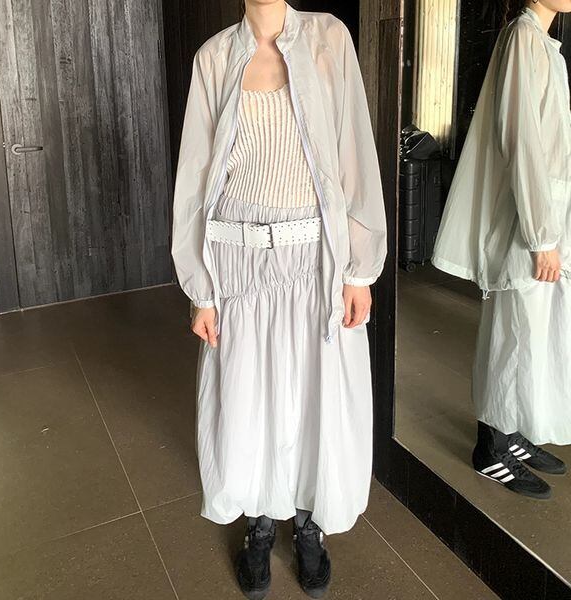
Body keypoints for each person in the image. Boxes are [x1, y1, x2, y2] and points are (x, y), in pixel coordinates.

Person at [171, 1, 387, 598]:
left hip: (314, 259)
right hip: (237, 264)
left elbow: (354, 155)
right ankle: (261, 521)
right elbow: (194, 178)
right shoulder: (214, 58)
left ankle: (309, 522)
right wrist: (201, 289)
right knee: (250, 398)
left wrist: (360, 269)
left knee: (313, 396)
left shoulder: (328, 38)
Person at [432, 0, 571, 500]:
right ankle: (490, 446)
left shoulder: (544, 44)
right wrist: (541, 236)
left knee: (532, 332)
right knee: (514, 332)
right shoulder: (523, 38)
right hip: (528, 222)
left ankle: (512, 432)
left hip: (545, 216)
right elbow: (522, 141)